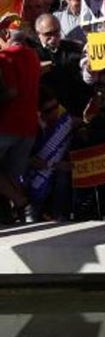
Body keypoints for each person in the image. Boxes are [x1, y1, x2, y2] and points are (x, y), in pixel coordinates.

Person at [0, 15, 42, 223]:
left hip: (7, 125)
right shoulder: (34, 56)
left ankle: (21, 202)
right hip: (28, 128)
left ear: (6, 34)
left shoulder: (5, 57)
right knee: (11, 175)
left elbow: (12, 92)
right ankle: (17, 212)